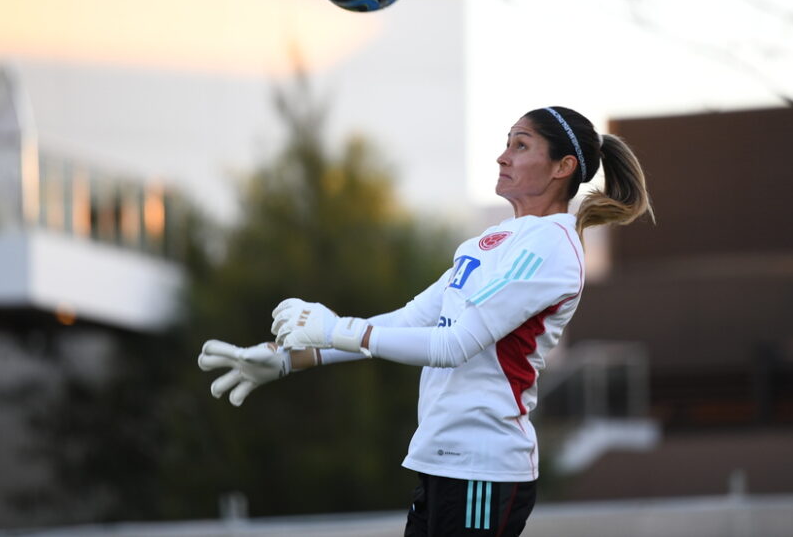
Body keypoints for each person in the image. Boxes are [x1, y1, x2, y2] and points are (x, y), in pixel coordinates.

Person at [198, 106, 653, 536]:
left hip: (483, 465)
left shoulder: (552, 244)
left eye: (520, 145)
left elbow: (453, 346)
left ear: (563, 167)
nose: (502, 155)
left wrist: (335, 328)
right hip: (443, 461)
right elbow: (405, 321)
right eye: (507, 143)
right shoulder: (485, 242)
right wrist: (288, 357)